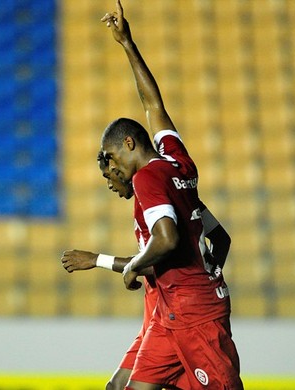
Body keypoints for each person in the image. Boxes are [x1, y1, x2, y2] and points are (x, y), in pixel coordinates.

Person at [100, 1, 242, 388]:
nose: (115, 169)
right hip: (171, 313)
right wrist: (127, 44)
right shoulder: (177, 159)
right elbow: (154, 104)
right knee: (122, 387)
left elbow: (166, 238)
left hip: (195, 314)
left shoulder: (147, 178)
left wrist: (130, 267)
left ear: (129, 144)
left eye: (113, 157)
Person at [62, 151, 231, 389]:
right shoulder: (148, 200)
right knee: (118, 386)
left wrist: (98, 260)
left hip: (184, 314)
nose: (110, 184)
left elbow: (166, 258)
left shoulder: (174, 199)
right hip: (160, 315)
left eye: (110, 175)